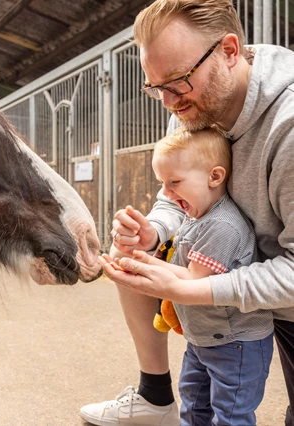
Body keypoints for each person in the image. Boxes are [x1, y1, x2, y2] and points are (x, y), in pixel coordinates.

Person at [80, 1, 294, 425]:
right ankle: (155, 394)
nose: (167, 102)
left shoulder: (287, 126)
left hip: (286, 295)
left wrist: (193, 290)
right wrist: (153, 233)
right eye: (154, 88)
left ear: (229, 51)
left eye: (176, 82)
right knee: (130, 252)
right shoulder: (190, 105)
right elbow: (168, 201)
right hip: (228, 275)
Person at [97, 127, 273, 425]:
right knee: (192, 405)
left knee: (230, 415)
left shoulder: (222, 226)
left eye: (174, 182)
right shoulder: (196, 216)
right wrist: (141, 258)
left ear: (215, 177)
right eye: (162, 183)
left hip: (235, 343)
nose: (165, 193)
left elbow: (194, 279)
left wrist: (142, 267)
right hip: (204, 337)